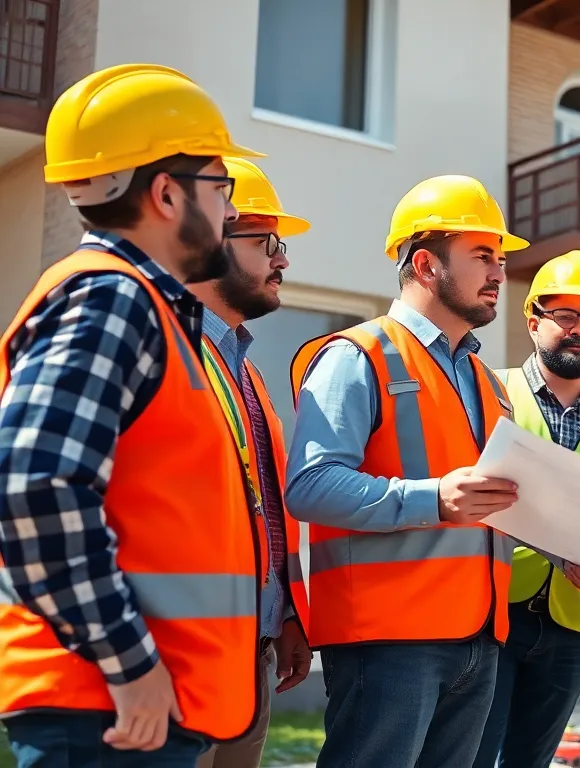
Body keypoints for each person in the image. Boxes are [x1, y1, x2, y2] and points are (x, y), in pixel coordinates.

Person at [285, 175, 580, 767]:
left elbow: (492, 503)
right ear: (427, 264)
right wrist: (434, 497)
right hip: (386, 644)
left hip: (477, 639)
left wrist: (567, 551)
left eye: (500, 259)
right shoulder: (356, 356)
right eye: (482, 256)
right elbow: (309, 485)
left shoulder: (484, 381)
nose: (499, 273)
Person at [0, 64, 265, 766]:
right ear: (168, 193)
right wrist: (129, 661)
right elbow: (36, 488)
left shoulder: (142, 307)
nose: (231, 212)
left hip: (129, 710)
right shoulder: (111, 300)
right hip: (110, 713)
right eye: (222, 187)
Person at [475, 250, 580, 768]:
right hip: (490, 615)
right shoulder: (487, 392)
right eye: (565, 316)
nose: (579, 330)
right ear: (534, 320)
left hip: (570, 623)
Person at [185, 157, 314, 768]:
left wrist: (284, 611)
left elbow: (264, 506)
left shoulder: (248, 372)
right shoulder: (169, 353)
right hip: (184, 655)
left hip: (252, 650)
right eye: (266, 242)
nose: (281, 259)